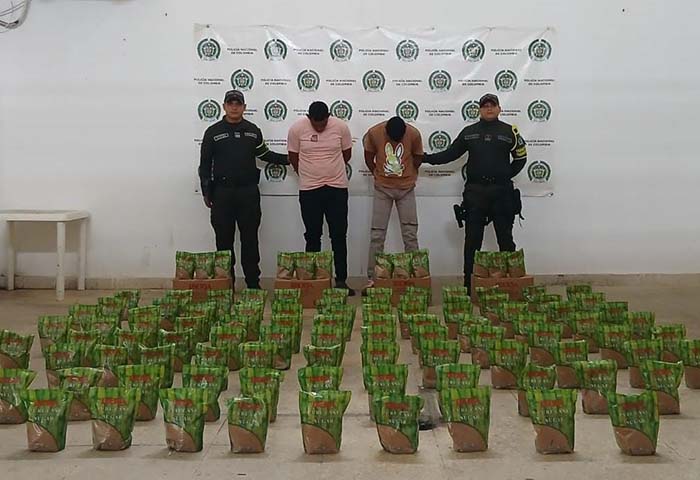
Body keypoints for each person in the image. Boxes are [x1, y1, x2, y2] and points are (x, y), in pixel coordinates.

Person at [424, 93, 528, 293]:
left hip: (502, 193)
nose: (489, 108)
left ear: (499, 109)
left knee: (505, 240)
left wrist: (505, 175)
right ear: (479, 110)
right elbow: (450, 154)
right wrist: (424, 158)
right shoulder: (469, 132)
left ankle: (512, 286)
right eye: (485, 106)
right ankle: (469, 286)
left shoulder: (510, 132)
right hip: (476, 193)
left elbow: (521, 159)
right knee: (472, 242)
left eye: (492, 105)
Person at [198, 89, 288, 290]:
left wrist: (292, 158)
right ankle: (226, 286)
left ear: (244, 107)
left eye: (238, 103)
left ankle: (253, 285)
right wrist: (206, 191)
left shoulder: (253, 130)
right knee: (223, 242)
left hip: (248, 193)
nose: (234, 107)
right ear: (224, 106)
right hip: (222, 194)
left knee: (250, 240)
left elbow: (264, 154)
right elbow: (204, 165)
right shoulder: (213, 132)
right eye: (230, 103)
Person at [287, 101, 355, 295]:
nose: (319, 127)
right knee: (312, 236)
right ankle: (314, 282)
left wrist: (328, 171)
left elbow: (346, 154)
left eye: (323, 122)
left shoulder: (340, 127)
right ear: (309, 118)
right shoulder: (297, 129)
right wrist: (309, 174)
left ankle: (341, 280)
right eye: (315, 123)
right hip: (309, 190)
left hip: (336, 188)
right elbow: (293, 156)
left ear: (328, 116)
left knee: (339, 236)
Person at [362, 116, 423, 294]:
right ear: (386, 132)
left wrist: (409, 174)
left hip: (406, 189)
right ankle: (373, 279)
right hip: (383, 188)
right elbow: (369, 157)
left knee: (410, 234)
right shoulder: (374, 133)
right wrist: (378, 174)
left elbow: (418, 157)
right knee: (377, 235)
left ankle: (415, 277)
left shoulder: (414, 133)